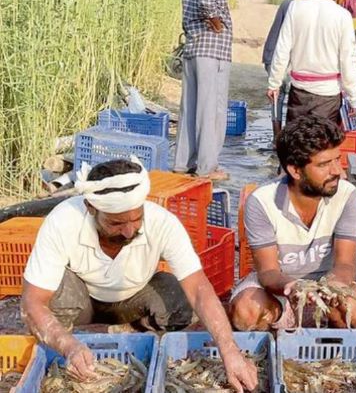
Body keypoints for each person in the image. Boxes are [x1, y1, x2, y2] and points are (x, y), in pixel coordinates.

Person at [21, 158, 258, 391]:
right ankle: (74, 346)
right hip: (83, 301)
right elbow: (32, 302)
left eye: (136, 219)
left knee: (178, 297)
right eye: (116, 223)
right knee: (55, 294)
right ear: (91, 208)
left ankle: (125, 330)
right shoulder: (63, 221)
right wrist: (68, 345)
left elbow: (198, 288)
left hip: (132, 299)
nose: (128, 231)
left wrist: (229, 350)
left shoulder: (162, 222)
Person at [229, 116, 356, 331]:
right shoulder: (262, 202)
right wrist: (292, 286)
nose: (337, 171)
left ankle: (330, 348)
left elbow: (346, 263)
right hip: (279, 291)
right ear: (295, 171)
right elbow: (268, 272)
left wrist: (334, 284)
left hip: (327, 289)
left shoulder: (347, 194)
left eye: (337, 159)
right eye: (324, 164)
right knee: (246, 312)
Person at [174, 0, 242, 181]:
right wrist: (216, 22)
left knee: (190, 108)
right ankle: (206, 167)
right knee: (211, 110)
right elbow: (206, 1)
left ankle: (182, 163)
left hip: (193, 47)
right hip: (212, 51)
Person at [267, 0, 356, 126]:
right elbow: (348, 60)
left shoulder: (295, 7)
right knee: (320, 146)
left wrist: (274, 84)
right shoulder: (343, 16)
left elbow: (282, 49)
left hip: (299, 92)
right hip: (328, 96)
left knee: (297, 143)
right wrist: (353, 98)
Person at [262, 0, 315, 145]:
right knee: (279, 96)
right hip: (278, 59)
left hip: (274, 56)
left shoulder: (287, 3)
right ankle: (278, 139)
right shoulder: (293, 5)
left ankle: (278, 137)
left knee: (279, 97)